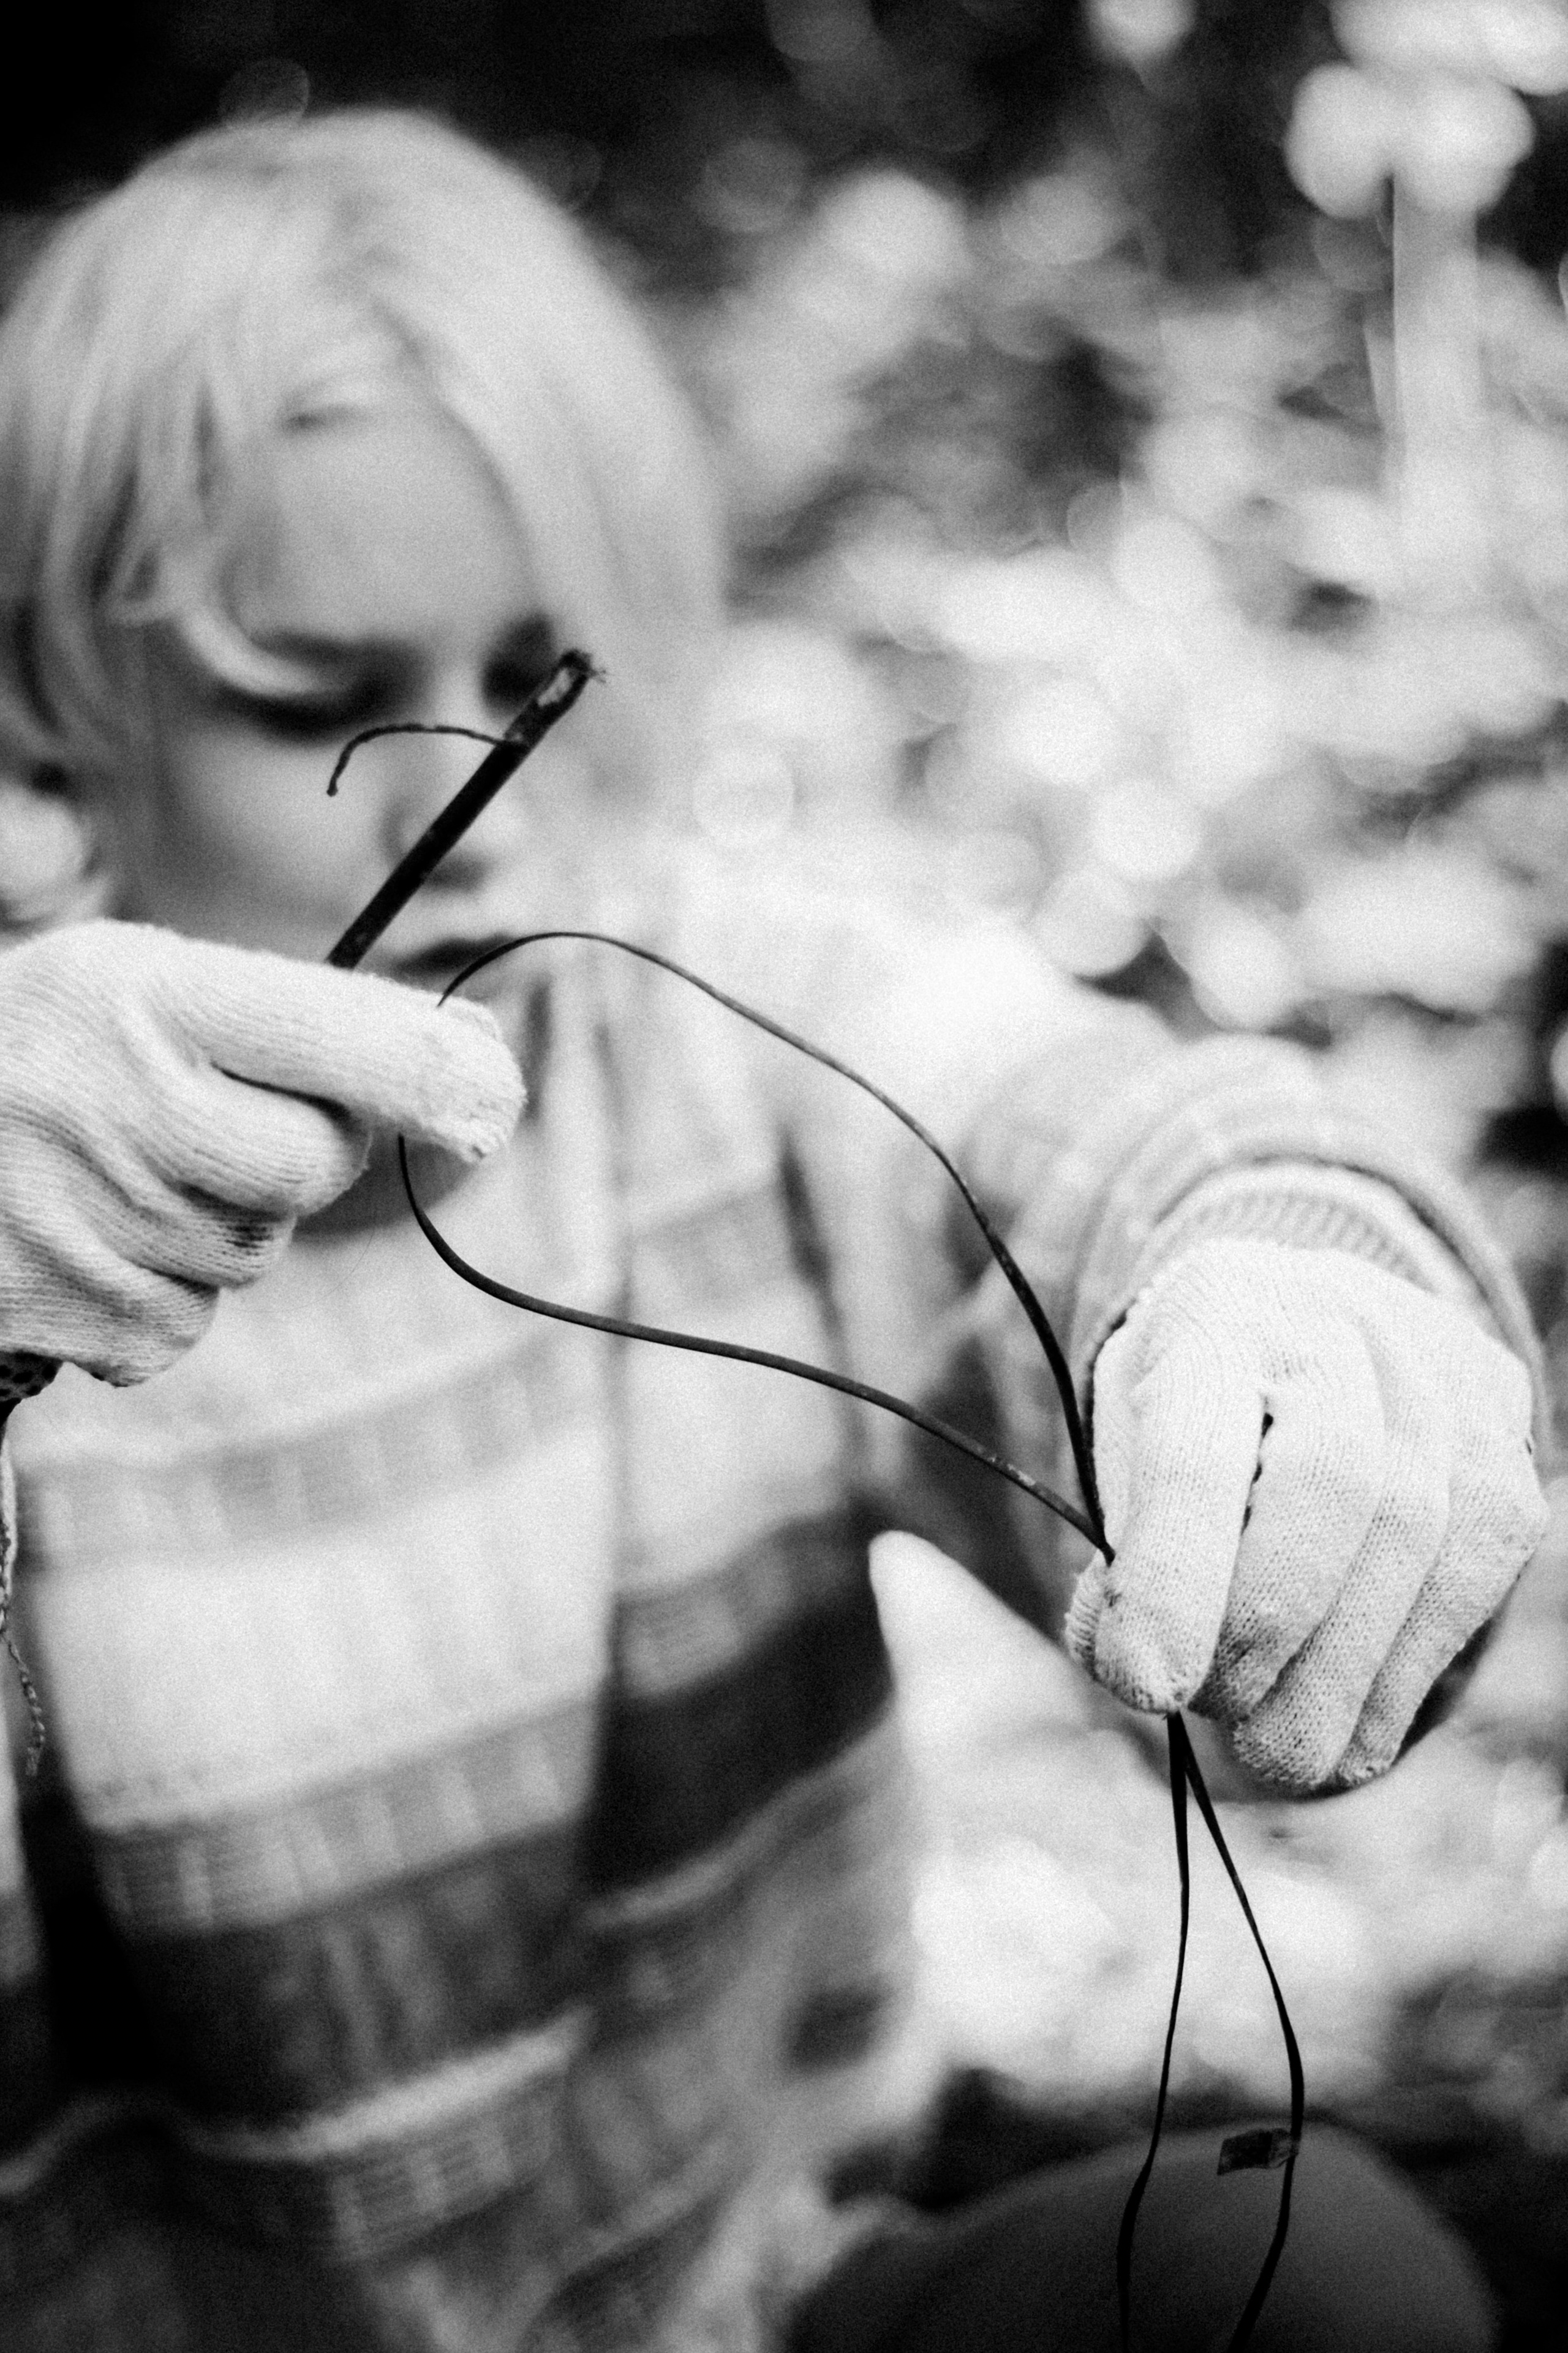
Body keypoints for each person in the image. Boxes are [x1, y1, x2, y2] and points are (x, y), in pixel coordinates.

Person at [0, 108, 1539, 2353]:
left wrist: (1297, 1286)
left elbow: (1110, 1124)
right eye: (312, 698)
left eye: (529, 678)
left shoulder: (725, 1037)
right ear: (61, 690)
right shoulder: (27, 1172)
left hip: (762, 2302)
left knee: (1317, 2276)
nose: (457, 804)